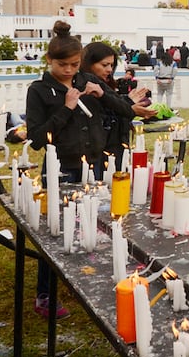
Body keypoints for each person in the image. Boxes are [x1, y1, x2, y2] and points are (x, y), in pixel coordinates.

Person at [27, 21, 129, 318]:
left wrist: (103, 94)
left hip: (94, 165)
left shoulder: (86, 80)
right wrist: (67, 108)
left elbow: (124, 109)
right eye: (63, 65)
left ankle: (86, 280)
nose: (70, 71)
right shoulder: (40, 91)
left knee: (93, 227)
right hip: (61, 169)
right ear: (49, 61)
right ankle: (45, 294)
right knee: (56, 231)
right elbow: (36, 138)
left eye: (74, 64)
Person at [81, 42, 154, 170]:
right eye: (104, 65)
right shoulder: (85, 89)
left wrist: (127, 102)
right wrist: (129, 107)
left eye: (111, 65)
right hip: (100, 154)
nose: (109, 69)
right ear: (89, 64)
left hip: (117, 150)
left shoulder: (106, 85)